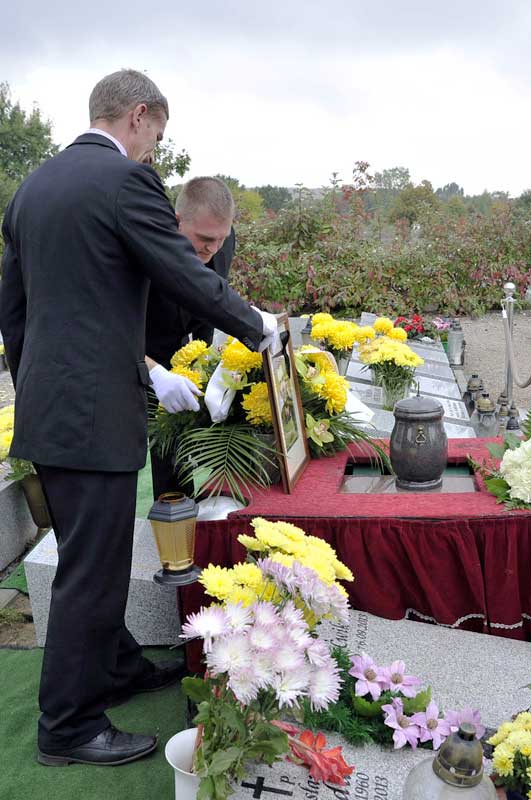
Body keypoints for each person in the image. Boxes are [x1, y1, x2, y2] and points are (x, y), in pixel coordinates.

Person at [0, 69, 279, 767]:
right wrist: (259, 328)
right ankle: (67, 726)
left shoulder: (32, 188)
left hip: (49, 405)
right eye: (156, 134)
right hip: (93, 415)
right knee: (90, 573)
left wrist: (33, 385)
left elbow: (14, 308)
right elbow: (181, 272)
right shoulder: (127, 182)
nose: (155, 148)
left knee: (91, 557)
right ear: (141, 116)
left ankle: (116, 667)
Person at [144, 176, 238, 498]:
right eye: (204, 238)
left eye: (221, 239)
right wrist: (156, 374)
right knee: (158, 437)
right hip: (142, 345)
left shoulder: (221, 242)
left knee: (185, 430)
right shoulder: (146, 246)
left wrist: (202, 363)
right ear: (177, 222)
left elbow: (211, 300)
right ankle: (169, 516)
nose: (212, 248)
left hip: (189, 341)